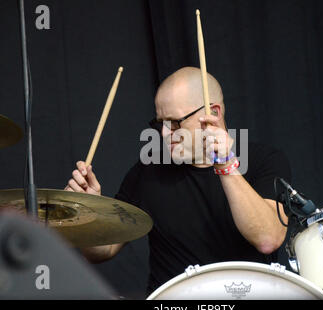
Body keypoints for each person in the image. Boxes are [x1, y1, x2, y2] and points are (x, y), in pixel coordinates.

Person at [65, 66, 291, 296]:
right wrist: (87, 213)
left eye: (174, 123)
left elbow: (268, 239)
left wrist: (224, 164)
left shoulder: (264, 161)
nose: (163, 134)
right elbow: (102, 252)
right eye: (159, 123)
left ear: (213, 113)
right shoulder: (147, 173)